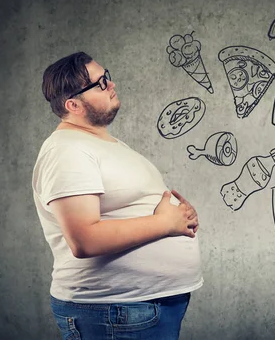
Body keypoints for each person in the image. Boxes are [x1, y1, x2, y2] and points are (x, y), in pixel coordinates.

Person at [32, 52, 203, 340]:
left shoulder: (103, 144)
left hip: (140, 308)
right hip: (114, 312)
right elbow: (84, 239)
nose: (110, 84)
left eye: (106, 76)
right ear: (73, 105)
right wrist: (165, 224)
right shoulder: (67, 150)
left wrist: (181, 218)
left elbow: (134, 208)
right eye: (99, 84)